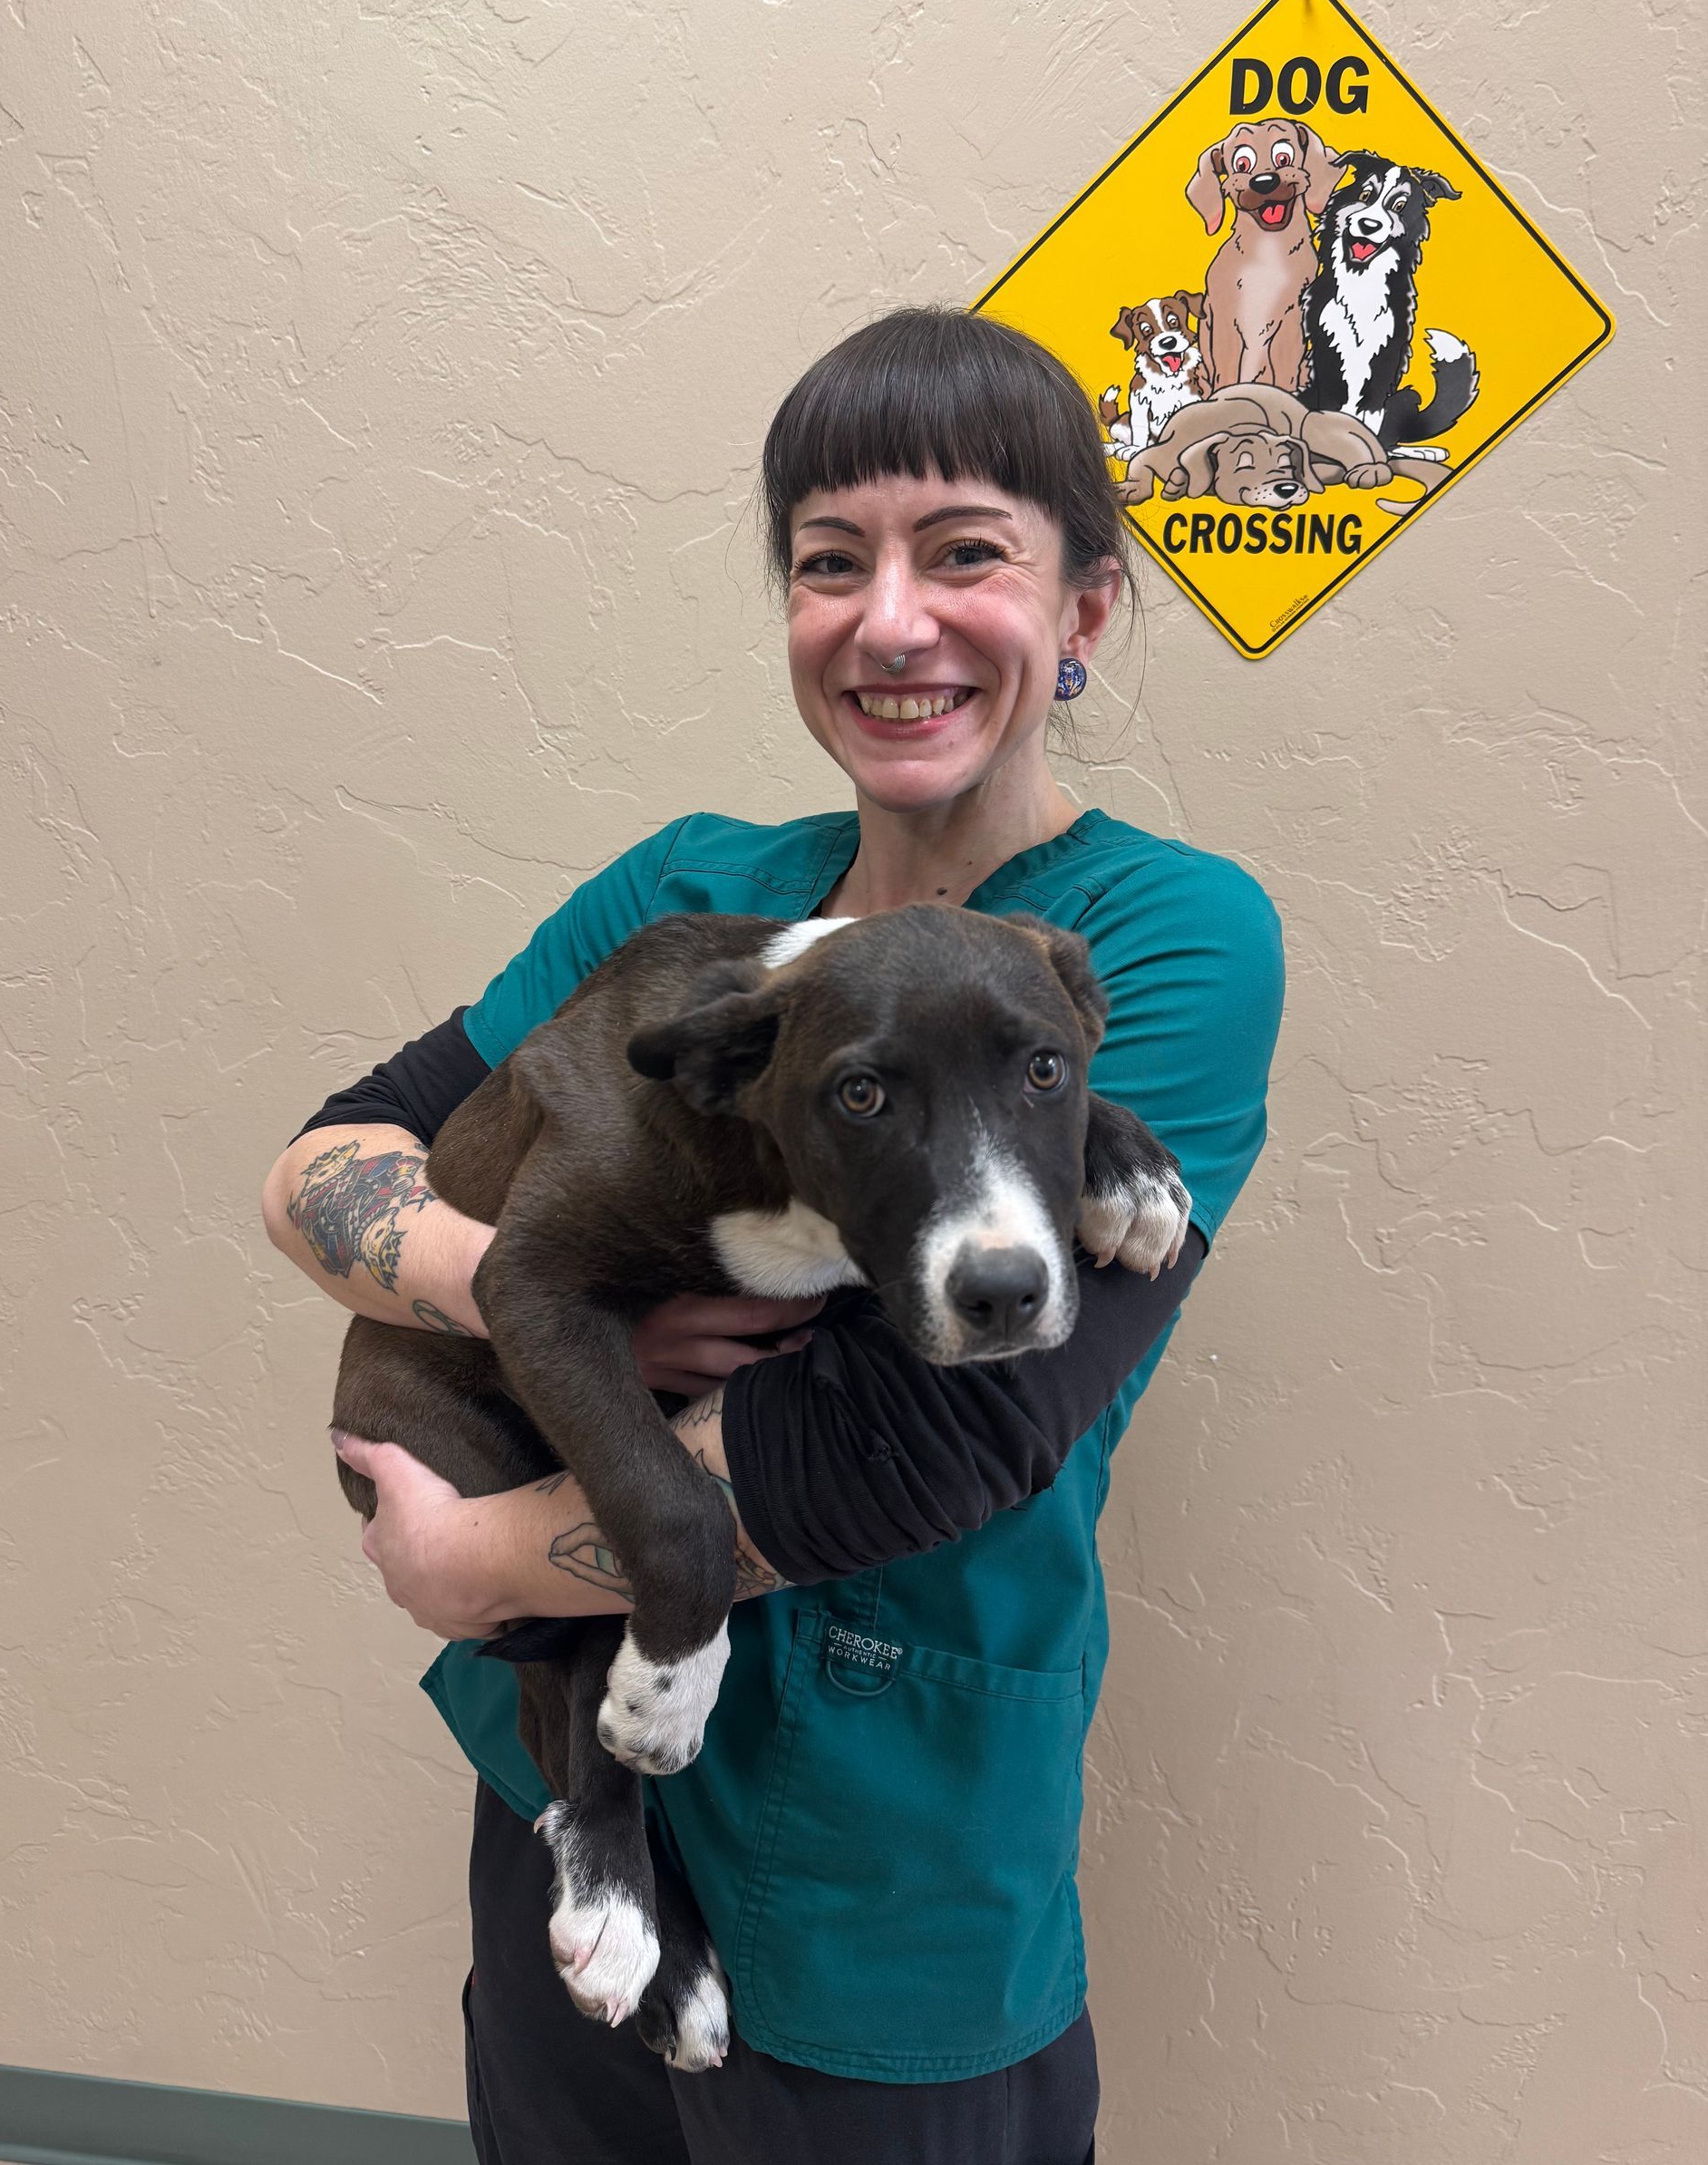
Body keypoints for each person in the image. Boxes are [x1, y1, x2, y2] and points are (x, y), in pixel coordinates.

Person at [262, 306, 1284, 2165]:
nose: (889, 619)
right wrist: (511, 1292)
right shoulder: (684, 897)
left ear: (1086, 611)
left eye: (965, 550)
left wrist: (483, 1561)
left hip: (886, 1857)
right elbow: (330, 1158)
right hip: (568, 1796)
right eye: (830, 562)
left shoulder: (1158, 939)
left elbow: (941, 1430)